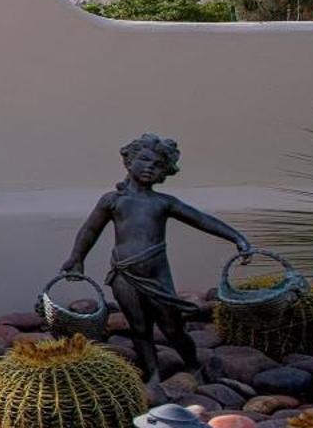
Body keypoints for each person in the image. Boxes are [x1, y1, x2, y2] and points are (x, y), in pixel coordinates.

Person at [60, 133, 250, 384]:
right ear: (129, 161)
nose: (151, 167)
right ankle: (153, 374)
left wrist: (237, 238)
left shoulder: (163, 203)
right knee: (139, 327)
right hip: (124, 273)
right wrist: (76, 257)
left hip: (156, 274)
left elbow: (201, 219)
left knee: (172, 326)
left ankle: (193, 365)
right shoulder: (113, 201)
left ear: (165, 173)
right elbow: (90, 230)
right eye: (146, 160)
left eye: (158, 165)